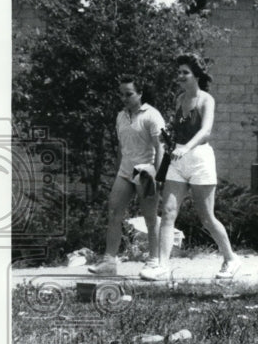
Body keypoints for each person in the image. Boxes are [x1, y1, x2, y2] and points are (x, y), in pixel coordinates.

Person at [139, 54, 241, 281]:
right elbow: (177, 128)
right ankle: (162, 266)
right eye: (179, 73)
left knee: (206, 217)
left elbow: (206, 131)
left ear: (196, 75)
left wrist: (186, 148)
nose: (180, 77)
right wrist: (169, 138)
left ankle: (231, 258)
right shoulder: (179, 99)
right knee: (167, 213)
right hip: (177, 159)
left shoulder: (206, 100)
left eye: (185, 72)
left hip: (200, 159)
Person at [88, 77, 165, 276]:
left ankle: (154, 261)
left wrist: (158, 177)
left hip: (146, 172)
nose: (125, 98)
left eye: (129, 94)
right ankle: (109, 262)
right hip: (125, 171)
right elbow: (122, 148)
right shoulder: (120, 116)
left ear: (140, 94)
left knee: (150, 217)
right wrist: (118, 170)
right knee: (113, 212)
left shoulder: (152, 115)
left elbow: (160, 148)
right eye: (121, 94)